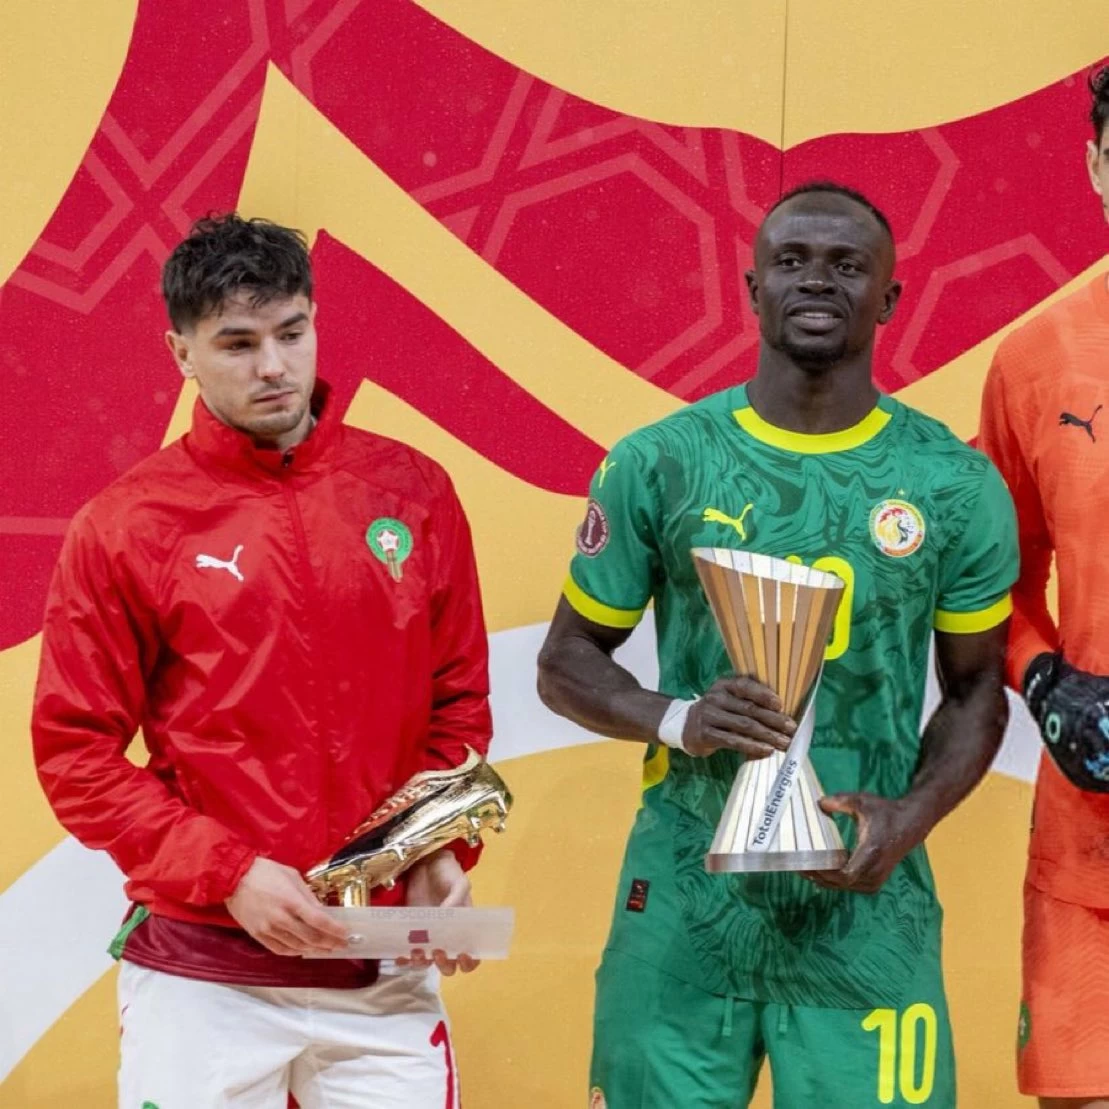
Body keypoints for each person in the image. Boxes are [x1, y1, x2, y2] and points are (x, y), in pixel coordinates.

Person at [538, 182, 1018, 1108]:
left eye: (847, 265)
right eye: (791, 261)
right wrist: (678, 718)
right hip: (684, 905)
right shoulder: (659, 460)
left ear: (888, 298)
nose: (816, 280)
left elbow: (975, 694)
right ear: (752, 286)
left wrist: (911, 817)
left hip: (862, 901)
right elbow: (565, 661)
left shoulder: (953, 484)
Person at [31, 214, 491, 1108]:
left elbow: (457, 705)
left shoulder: (413, 492)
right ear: (180, 352)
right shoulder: (127, 525)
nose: (273, 366)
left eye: (291, 331)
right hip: (205, 981)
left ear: (316, 320)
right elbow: (75, 755)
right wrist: (231, 872)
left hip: (381, 974)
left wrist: (435, 844)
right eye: (237, 343)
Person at [978, 63, 1109, 1109]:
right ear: (1096, 167)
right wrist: (1042, 679)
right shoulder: (1033, 357)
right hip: (1090, 833)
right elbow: (990, 584)